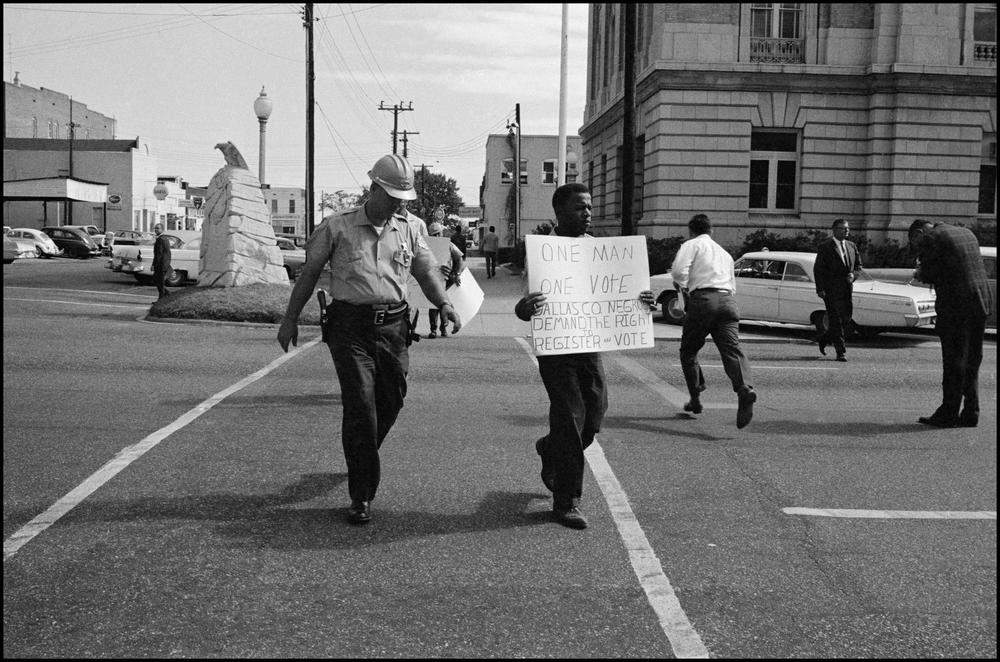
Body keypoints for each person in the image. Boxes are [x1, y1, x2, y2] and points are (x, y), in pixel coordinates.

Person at [277, 154, 461, 525]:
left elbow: (425, 271)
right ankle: (362, 494)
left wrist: (443, 303)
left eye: (402, 198)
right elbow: (309, 275)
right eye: (392, 194)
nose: (397, 203)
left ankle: (360, 456)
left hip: (394, 328)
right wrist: (290, 319)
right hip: (349, 327)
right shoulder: (336, 227)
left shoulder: (410, 228)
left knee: (391, 401)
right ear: (374, 187)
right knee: (361, 405)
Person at [516, 182, 655, 530]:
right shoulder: (544, 251)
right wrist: (524, 308)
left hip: (589, 346)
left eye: (590, 207)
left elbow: (620, 294)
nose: (588, 213)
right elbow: (525, 306)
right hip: (557, 348)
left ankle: (549, 449)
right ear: (560, 212)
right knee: (569, 419)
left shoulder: (599, 250)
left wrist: (643, 302)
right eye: (581, 207)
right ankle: (567, 502)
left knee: (594, 415)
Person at [671, 213, 756, 429]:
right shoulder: (725, 253)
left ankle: (696, 398)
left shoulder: (692, 245)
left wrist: (681, 286)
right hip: (727, 301)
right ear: (711, 230)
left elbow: (679, 271)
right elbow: (732, 284)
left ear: (691, 231)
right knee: (732, 350)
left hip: (703, 300)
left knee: (688, 351)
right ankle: (744, 387)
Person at [907, 219, 991, 428]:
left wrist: (919, 271)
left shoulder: (933, 238)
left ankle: (948, 413)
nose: (917, 246)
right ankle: (971, 411)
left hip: (956, 306)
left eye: (914, 242)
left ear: (918, 233)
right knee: (972, 359)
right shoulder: (966, 232)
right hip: (979, 302)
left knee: (954, 361)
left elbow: (927, 274)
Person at [813, 218, 862, 362]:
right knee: (836, 321)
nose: (846, 231)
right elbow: (818, 269)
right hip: (831, 290)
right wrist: (820, 289)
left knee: (846, 319)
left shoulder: (851, 246)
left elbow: (858, 266)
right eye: (843, 228)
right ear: (834, 230)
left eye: (848, 228)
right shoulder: (825, 247)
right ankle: (841, 352)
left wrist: (853, 276)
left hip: (847, 289)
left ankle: (823, 339)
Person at [426, 221, 465, 338]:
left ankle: (443, 328)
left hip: (446, 279)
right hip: (432, 278)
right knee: (432, 305)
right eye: (433, 235)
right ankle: (433, 329)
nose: (436, 237)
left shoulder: (448, 245)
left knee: (445, 304)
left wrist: (456, 273)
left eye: (438, 234)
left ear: (441, 233)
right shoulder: (426, 245)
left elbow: (459, 259)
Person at [152, 223, 171, 300]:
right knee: (158, 280)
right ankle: (166, 295)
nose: (156, 230)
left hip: (161, 263)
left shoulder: (161, 239)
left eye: (158, 228)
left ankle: (163, 297)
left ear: (162, 229)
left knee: (159, 281)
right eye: (155, 228)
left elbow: (159, 253)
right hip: (165, 262)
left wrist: (154, 264)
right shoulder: (165, 238)